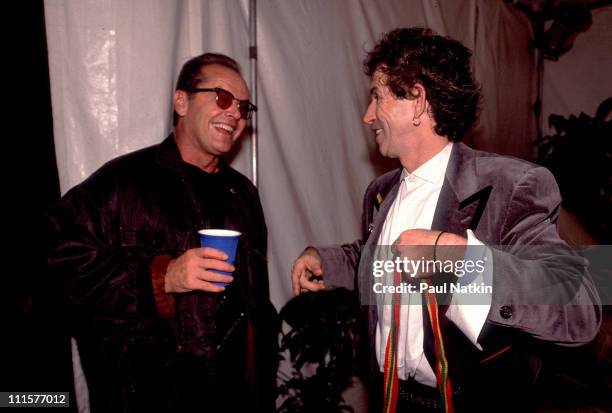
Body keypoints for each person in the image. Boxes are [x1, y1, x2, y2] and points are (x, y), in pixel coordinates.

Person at [291, 28, 601, 412]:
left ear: (418, 101)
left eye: (377, 96)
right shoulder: (379, 191)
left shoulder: (510, 184)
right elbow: (382, 256)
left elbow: (579, 307)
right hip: (392, 399)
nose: (367, 115)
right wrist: (327, 261)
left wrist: (460, 258)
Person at [47, 53, 278, 412]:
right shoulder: (122, 184)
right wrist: (161, 278)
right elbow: (58, 268)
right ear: (181, 101)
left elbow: (256, 305)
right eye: (222, 97)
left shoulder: (243, 195)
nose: (235, 113)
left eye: (244, 107)